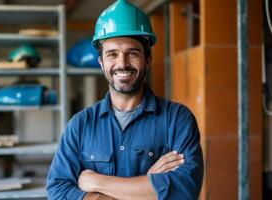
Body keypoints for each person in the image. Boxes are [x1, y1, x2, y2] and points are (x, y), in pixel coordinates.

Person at [46, 0, 204, 199]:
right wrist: (147, 186)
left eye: (132, 53)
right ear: (102, 63)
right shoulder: (81, 124)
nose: (122, 63)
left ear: (147, 60)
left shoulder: (177, 119)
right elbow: (57, 191)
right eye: (112, 54)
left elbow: (184, 189)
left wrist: (96, 181)